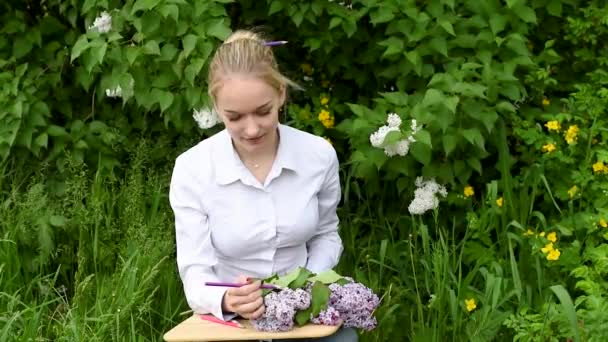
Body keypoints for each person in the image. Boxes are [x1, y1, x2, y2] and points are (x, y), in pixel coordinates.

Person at [169, 30, 357, 341]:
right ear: (216, 106)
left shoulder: (318, 156)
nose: (252, 129)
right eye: (235, 117)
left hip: (305, 314)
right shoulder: (193, 169)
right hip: (231, 323)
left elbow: (326, 233)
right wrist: (227, 299)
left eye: (263, 111)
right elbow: (194, 269)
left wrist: (307, 286)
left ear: (281, 93)